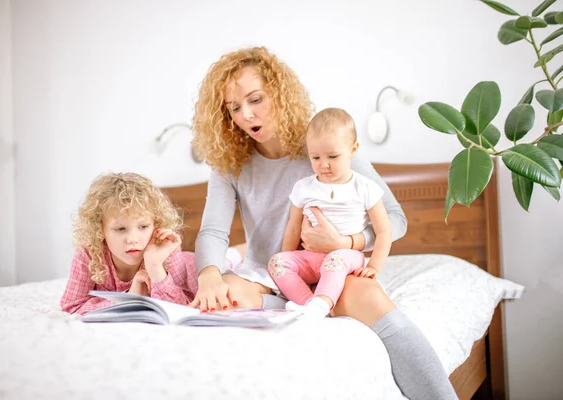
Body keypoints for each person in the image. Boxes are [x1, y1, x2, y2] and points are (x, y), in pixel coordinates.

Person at [189, 47, 457, 399]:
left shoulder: (324, 146)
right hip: (271, 274)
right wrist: (209, 274)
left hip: (332, 270)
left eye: (255, 100)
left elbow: (395, 219)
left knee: (369, 296)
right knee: (227, 292)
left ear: (279, 94)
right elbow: (212, 231)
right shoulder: (229, 162)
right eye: (234, 108)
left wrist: (346, 243)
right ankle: (300, 308)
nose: (246, 114)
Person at [268, 107, 391, 319]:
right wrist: (289, 258)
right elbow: (294, 228)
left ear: (353, 149)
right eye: (315, 157)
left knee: (334, 260)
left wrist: (374, 266)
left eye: (333, 156)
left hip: (346, 258)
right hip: (311, 258)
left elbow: (384, 232)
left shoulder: (365, 188)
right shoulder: (303, 188)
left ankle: (321, 305)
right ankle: (308, 305)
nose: (323, 164)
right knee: (276, 262)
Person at [60, 172, 243, 315]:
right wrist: (130, 298)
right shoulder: (89, 252)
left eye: (143, 226)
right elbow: (72, 305)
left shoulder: (166, 251)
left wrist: (155, 267)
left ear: (156, 224)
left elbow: (182, 307)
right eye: (120, 229)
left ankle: (243, 248)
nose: (133, 239)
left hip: (192, 266)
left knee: (226, 261)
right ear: (100, 229)